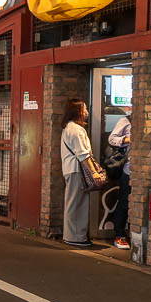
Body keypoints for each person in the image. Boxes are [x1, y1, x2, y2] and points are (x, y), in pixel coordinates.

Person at [61, 98, 93, 247]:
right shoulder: (76, 130)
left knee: (74, 203)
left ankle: (74, 235)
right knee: (76, 204)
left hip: (71, 170)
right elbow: (83, 155)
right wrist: (95, 173)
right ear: (77, 111)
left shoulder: (69, 127)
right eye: (84, 108)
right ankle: (75, 237)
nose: (86, 111)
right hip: (76, 170)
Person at [109, 112, 132, 250]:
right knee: (124, 201)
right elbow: (111, 139)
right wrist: (127, 139)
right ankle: (119, 234)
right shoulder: (126, 120)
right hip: (128, 169)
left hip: (143, 172)